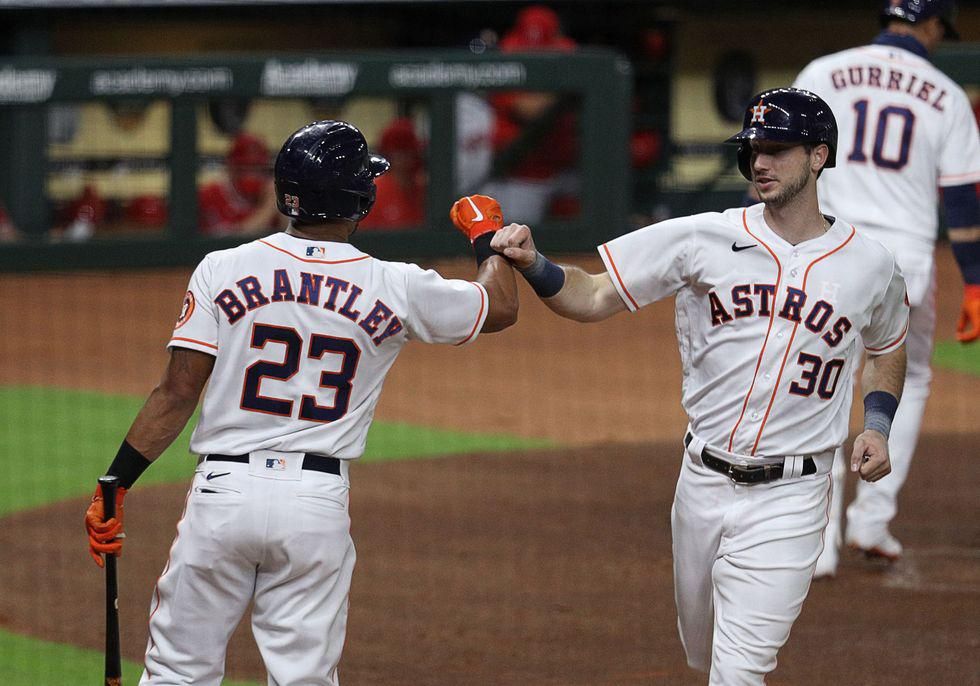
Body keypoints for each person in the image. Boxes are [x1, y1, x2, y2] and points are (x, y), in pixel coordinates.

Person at [491, 88, 910, 684]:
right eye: (752, 150)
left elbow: (888, 343)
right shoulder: (700, 237)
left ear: (819, 156)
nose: (759, 163)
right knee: (704, 649)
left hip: (793, 495)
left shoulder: (870, 263)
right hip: (701, 484)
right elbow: (591, 297)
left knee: (739, 670)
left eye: (776, 149)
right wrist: (536, 265)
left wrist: (877, 424)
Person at [84, 120, 518, 685]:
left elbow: (176, 392)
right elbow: (500, 307)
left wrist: (115, 483)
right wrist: (488, 237)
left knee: (177, 672)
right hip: (315, 505)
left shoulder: (222, 268)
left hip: (222, 497)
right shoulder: (394, 284)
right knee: (304, 679)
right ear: (360, 198)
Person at [792, 0, 980, 577]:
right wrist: (975, 282)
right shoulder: (947, 95)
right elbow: (963, 200)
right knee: (911, 377)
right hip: (906, 265)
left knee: (816, 383)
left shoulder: (822, 71)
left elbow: (787, 165)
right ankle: (872, 521)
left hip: (830, 251)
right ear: (931, 26)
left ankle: (815, 542)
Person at [482, 4, 580, 224]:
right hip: (521, 175)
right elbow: (528, 109)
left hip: (564, 168)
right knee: (517, 242)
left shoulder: (568, 54)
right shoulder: (504, 63)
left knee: (581, 244)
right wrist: (563, 87)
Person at [198, 131, 284, 236]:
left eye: (257, 168)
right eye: (245, 168)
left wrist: (281, 203)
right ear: (230, 167)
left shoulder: (271, 194)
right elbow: (232, 242)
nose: (252, 175)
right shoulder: (209, 195)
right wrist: (268, 209)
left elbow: (291, 239)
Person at [357, 117, 425, 231]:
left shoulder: (423, 189)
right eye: (398, 151)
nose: (403, 157)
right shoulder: (374, 190)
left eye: (408, 151)